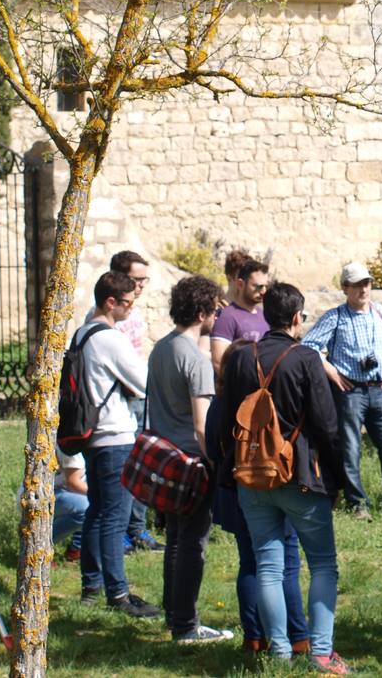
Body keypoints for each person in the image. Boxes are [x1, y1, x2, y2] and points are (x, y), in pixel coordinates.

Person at [218, 282, 348, 674]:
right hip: (300, 476)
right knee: (323, 564)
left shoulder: (241, 359)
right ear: (296, 318)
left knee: (268, 566)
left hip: (251, 475)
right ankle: (321, 654)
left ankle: (278, 652)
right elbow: (327, 426)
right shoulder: (305, 358)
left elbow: (228, 420)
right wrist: (338, 479)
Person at [207, 341, 311, 656]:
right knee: (286, 563)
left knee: (251, 564)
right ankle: (297, 637)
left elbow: (213, 449)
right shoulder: (263, 403)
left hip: (235, 489)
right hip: (267, 486)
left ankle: (255, 637)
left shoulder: (220, 404)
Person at [147, 276, 233, 643]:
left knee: (176, 542)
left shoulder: (160, 348)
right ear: (202, 312)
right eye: (215, 309)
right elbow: (201, 425)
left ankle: (174, 615)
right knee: (192, 546)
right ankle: (186, 625)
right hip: (192, 463)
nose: (219, 315)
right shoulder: (194, 360)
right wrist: (216, 462)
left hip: (166, 458)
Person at [302, 262, 382, 520]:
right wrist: (333, 373)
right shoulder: (335, 317)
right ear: (345, 288)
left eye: (367, 283)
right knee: (351, 449)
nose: (364, 289)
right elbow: (309, 346)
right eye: (357, 285)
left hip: (379, 389)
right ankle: (357, 504)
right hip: (350, 392)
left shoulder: (381, 312)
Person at [76, 271, 157, 617]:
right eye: (127, 303)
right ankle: (118, 594)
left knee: (96, 512)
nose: (130, 310)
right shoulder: (110, 337)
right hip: (115, 435)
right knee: (114, 518)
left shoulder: (81, 334)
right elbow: (143, 382)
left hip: (92, 435)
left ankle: (91, 587)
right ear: (111, 302)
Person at [86, 250, 163, 554]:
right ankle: (117, 559)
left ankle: (137, 528)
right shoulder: (103, 324)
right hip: (117, 406)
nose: (142, 286)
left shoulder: (132, 313)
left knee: (141, 467)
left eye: (145, 280)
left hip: (133, 398)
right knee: (112, 497)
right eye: (136, 279)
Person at [210, 259, 270, 373]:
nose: (263, 291)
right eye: (258, 286)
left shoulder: (264, 316)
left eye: (265, 286)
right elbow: (219, 363)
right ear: (240, 284)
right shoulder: (227, 317)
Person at [53, 451, 88, 563]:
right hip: (45, 496)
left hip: (62, 493)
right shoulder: (71, 447)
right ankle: (39, 546)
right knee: (87, 508)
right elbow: (73, 482)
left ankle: (77, 548)